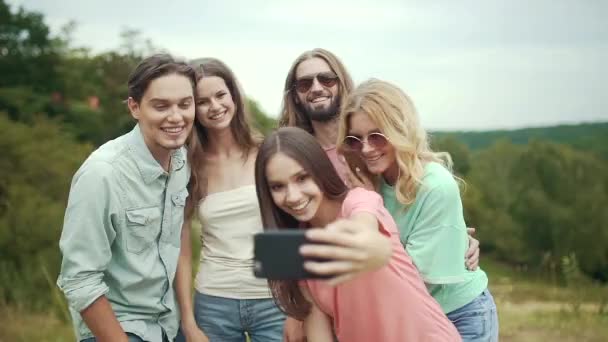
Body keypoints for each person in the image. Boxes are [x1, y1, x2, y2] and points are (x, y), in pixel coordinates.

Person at [278, 47, 480, 271]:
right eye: (305, 84)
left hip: (394, 279)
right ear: (295, 96)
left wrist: (452, 237)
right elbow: (280, 234)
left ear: (341, 83)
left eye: (326, 79)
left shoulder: (374, 152)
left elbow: (417, 204)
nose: (316, 88)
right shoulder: (289, 157)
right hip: (338, 279)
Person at [254, 127, 462, 341]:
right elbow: (316, 322)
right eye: (278, 186)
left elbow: (366, 233)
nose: (293, 196)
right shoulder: (296, 247)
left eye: (302, 178)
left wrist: (368, 245)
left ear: (319, 170)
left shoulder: (359, 201)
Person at [337, 79, 499, 341]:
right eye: (356, 139)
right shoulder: (366, 182)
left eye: (377, 136)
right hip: (410, 317)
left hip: (458, 316)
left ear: (400, 129)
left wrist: (369, 203)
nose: (366, 148)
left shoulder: (436, 186)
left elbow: (406, 280)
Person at [56, 54, 196, 342]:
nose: (176, 116)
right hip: (120, 329)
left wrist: (189, 324)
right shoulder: (102, 175)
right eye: (161, 106)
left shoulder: (181, 160)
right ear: (135, 107)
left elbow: (177, 236)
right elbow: (79, 280)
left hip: (167, 324)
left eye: (185, 104)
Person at [174, 58, 285, 342]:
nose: (215, 106)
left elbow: (288, 225)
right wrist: (188, 320)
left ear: (234, 95)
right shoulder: (189, 166)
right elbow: (181, 248)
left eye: (220, 95)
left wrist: (296, 309)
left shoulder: (267, 152)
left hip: (273, 300)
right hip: (214, 302)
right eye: (202, 101)